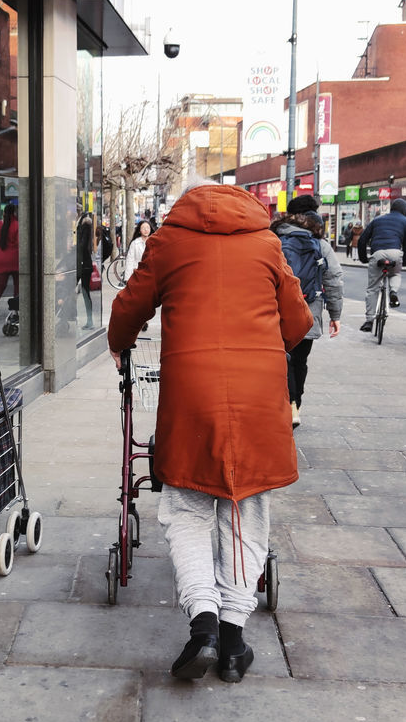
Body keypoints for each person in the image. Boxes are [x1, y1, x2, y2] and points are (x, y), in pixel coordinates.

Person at [108, 178, 313, 683]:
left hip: (192, 391)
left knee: (187, 506)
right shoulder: (266, 243)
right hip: (257, 396)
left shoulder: (169, 240)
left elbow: (129, 307)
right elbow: (298, 322)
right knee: (244, 506)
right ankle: (233, 640)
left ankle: (201, 620)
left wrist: (120, 343)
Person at [273, 198, 342, 428]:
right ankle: (296, 404)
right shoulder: (319, 242)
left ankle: (289, 403)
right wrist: (335, 314)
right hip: (307, 310)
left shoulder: (273, 238)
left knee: (283, 360)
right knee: (300, 360)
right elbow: (333, 278)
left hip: (278, 309)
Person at [357, 198, 406, 331]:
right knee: (395, 273)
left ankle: (369, 321)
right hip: (395, 253)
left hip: (377, 254)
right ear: (404, 210)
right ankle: (393, 292)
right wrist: (405, 262)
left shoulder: (377, 220)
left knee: (373, 288)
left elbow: (362, 240)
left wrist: (364, 259)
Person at [0, 202, 19, 316]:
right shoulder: (17, 225)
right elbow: (20, 243)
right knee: (18, 284)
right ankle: (15, 309)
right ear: (14, 213)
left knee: (0, 285)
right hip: (15, 260)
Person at [76, 208, 97, 328]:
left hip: (83, 263)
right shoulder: (82, 224)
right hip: (82, 263)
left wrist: (74, 246)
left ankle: (90, 321)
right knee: (84, 292)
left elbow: (83, 245)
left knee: (85, 292)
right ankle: (88, 321)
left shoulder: (85, 225)